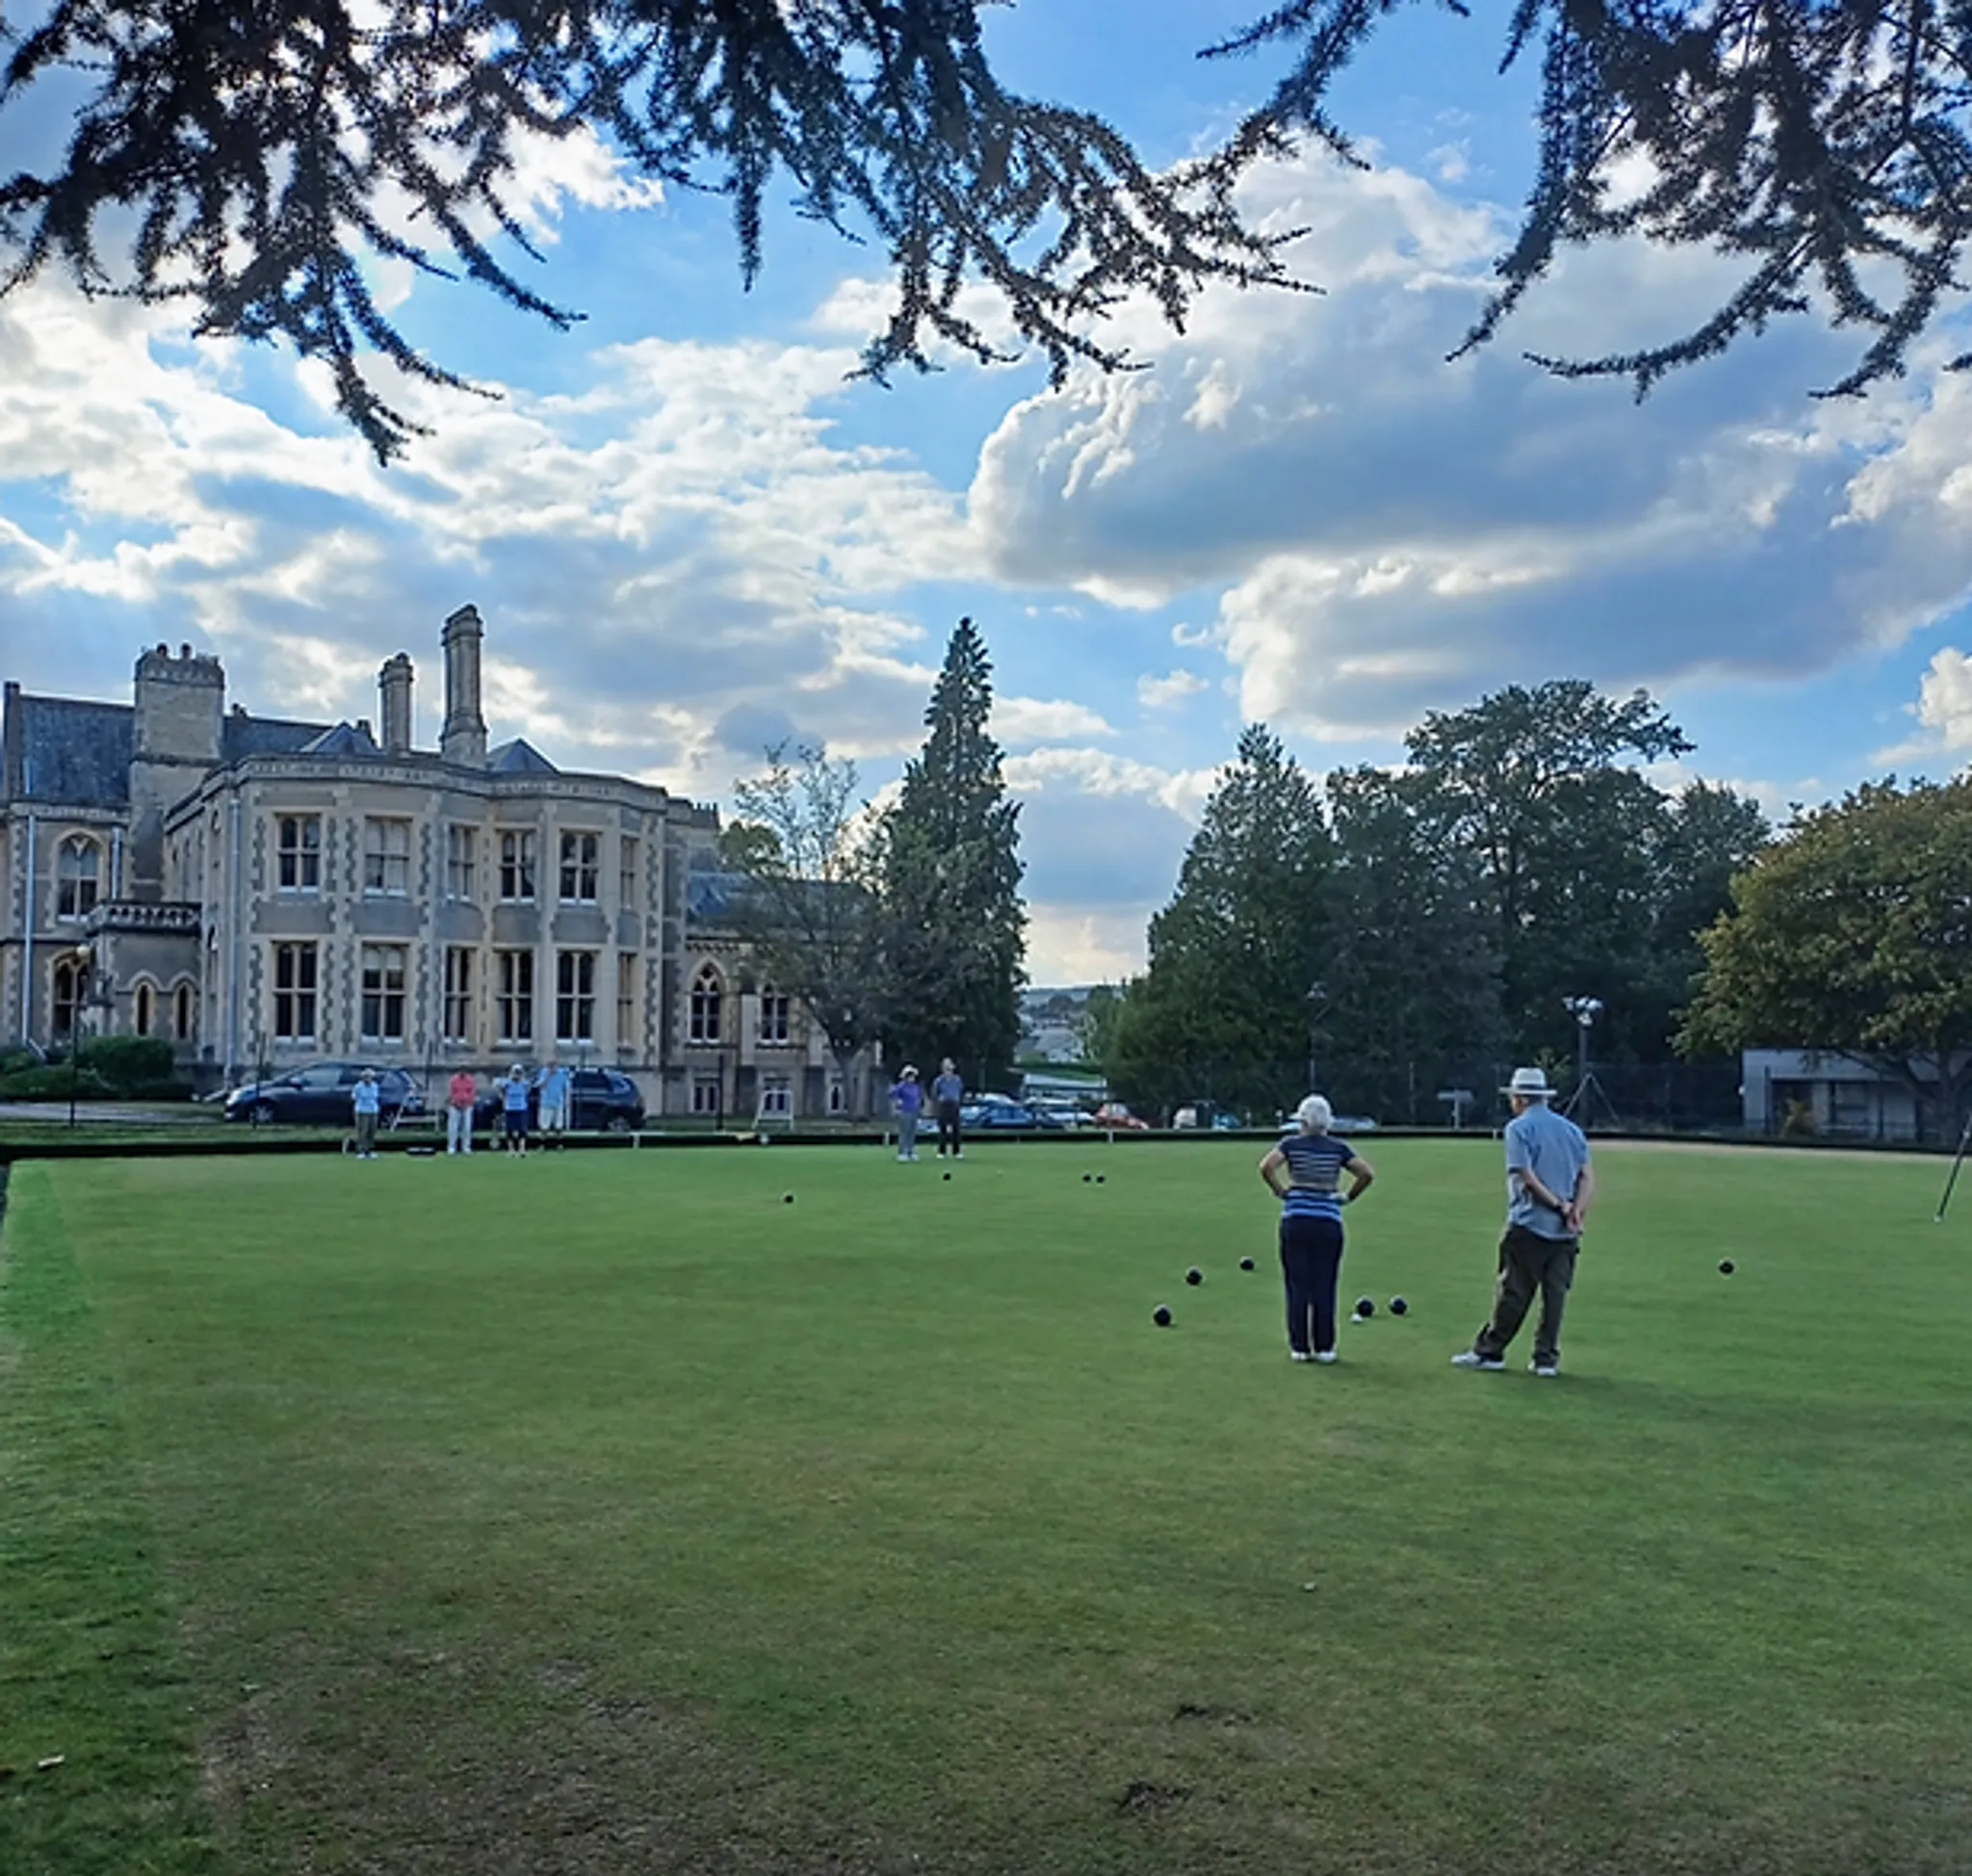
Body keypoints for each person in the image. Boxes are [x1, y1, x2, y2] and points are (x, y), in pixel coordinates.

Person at [1453, 1066, 1596, 1377]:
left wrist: (1559, 1206)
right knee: (1555, 1295)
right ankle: (1545, 1359)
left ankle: (1491, 1351)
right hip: (1566, 1231)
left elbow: (1527, 1177)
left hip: (1530, 1223)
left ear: (1519, 1099)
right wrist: (1576, 1212)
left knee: (1514, 1291)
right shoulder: (1572, 1130)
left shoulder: (1518, 1129)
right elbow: (1587, 1177)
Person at [1258, 1094, 1374, 1362]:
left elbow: (1266, 1166)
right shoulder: (1338, 1148)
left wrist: (1281, 1191)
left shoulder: (1291, 1144)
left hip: (1296, 1219)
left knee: (1297, 1285)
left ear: (1302, 1121)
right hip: (1328, 1222)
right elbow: (1366, 1174)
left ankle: (1300, 1347)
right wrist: (1347, 1196)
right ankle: (1325, 1348)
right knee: (1325, 1284)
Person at [932, 1057, 965, 1159]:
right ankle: (942, 1151)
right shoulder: (939, 1080)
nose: (947, 1068)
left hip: (954, 1104)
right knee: (943, 1129)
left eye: (949, 1065)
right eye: (945, 1065)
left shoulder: (957, 1079)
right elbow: (934, 1092)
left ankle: (957, 1151)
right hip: (944, 1105)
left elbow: (960, 1090)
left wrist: (958, 1100)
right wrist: (939, 1100)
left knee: (956, 1129)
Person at [890, 1065, 924, 1162]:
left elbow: (918, 1098)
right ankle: (902, 1152)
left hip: (914, 1111)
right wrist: (898, 1101)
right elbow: (892, 1094)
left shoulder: (915, 1087)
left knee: (912, 1133)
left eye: (913, 1076)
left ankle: (911, 1151)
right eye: (910, 1076)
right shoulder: (902, 1086)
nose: (912, 1078)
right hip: (905, 1111)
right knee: (904, 1132)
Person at [501, 1063, 532, 1156]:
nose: (517, 1074)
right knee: (510, 1130)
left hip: (521, 1108)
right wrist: (504, 1102)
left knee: (522, 1130)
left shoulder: (525, 1083)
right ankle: (511, 1149)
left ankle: (522, 1149)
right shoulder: (507, 1083)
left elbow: (527, 1091)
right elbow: (502, 1092)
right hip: (510, 1108)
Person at [351, 1067, 382, 1160]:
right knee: (363, 1131)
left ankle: (370, 1150)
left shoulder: (375, 1086)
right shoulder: (358, 1087)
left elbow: (376, 1098)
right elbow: (354, 1098)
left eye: (369, 1077)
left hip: (373, 1111)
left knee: (372, 1131)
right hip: (362, 1111)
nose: (368, 1079)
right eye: (366, 1077)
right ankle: (361, 1151)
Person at [536, 1059, 572, 1136]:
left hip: (558, 1102)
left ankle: (559, 1144)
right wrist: (548, 1076)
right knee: (544, 1125)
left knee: (558, 1125)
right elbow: (539, 1085)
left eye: (554, 1067)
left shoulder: (562, 1074)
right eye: (551, 1067)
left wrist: (567, 1101)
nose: (553, 1069)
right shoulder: (544, 1073)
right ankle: (542, 1144)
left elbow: (567, 1087)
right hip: (546, 1102)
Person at [446, 1067, 477, 1155]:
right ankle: (451, 1147)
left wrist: (467, 1103)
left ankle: (466, 1147)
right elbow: (452, 1093)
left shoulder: (470, 1081)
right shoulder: (454, 1080)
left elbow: (472, 1093)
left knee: (467, 1127)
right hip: (455, 1106)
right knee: (453, 1128)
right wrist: (456, 1102)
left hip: (467, 1106)